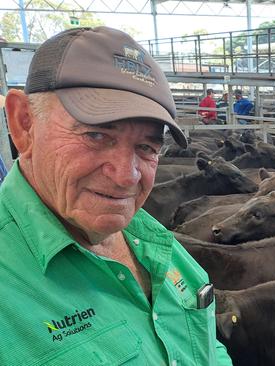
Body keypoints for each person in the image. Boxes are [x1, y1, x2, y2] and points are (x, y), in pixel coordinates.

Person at [0, 27, 231, 365]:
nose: (127, 176)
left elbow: (208, 347)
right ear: (24, 124)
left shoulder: (155, 242)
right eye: (96, 135)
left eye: (147, 147)